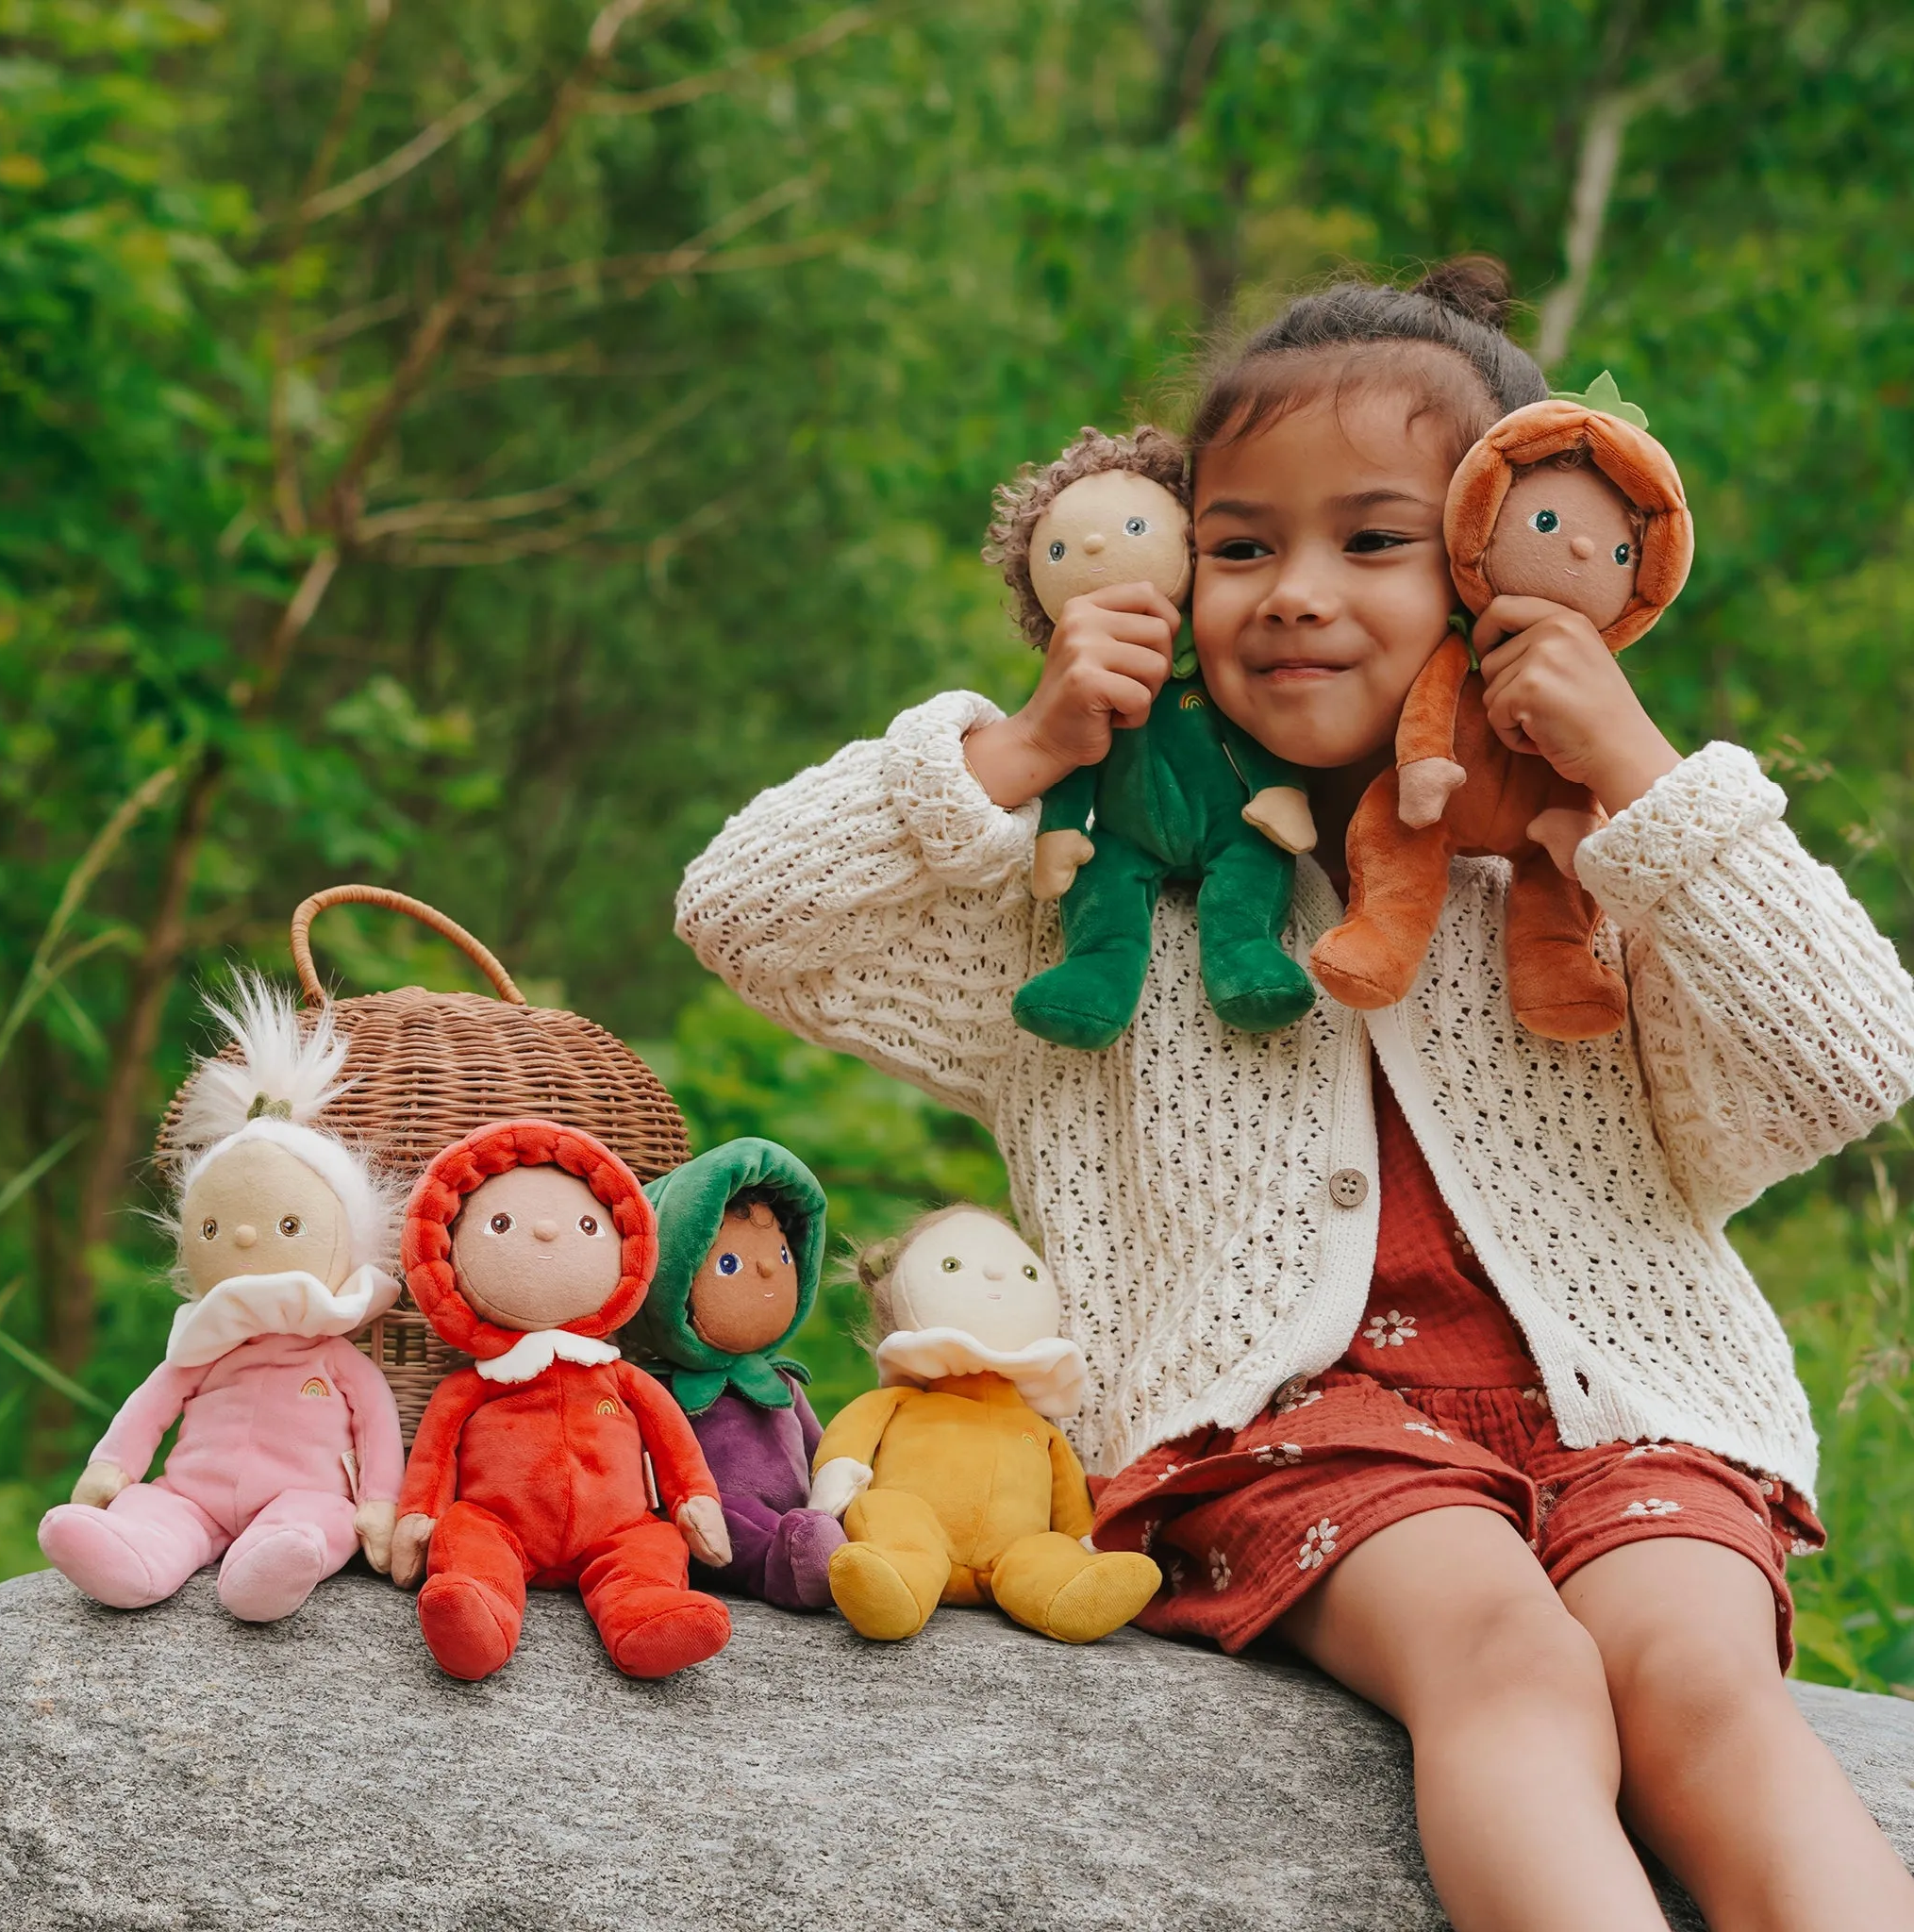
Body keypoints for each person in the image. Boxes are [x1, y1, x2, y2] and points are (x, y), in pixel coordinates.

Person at [674, 257, 1914, 1930]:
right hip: (1285, 1429)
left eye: (1375, 541)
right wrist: (1023, 748)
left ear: (1497, 575)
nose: (1296, 593)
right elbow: (742, 908)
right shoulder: (1085, 897)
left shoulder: (1581, 873)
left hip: (1639, 1409)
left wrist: (1638, 772)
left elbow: (1853, 1057)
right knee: (1514, 1665)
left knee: (1700, 1690)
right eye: (1242, 546)